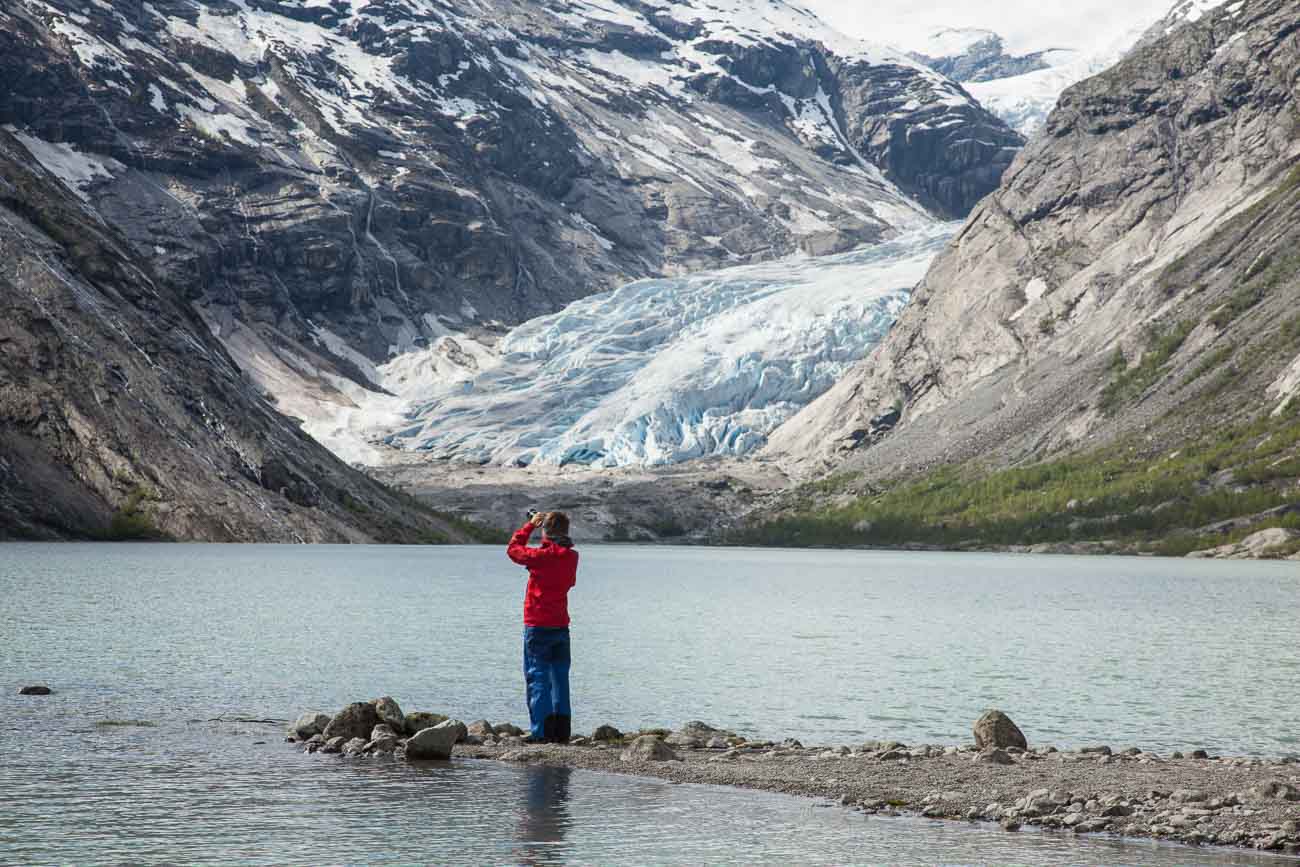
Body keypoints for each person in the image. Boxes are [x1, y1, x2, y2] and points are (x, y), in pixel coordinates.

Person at [507, 510, 578, 744]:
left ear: (545, 531)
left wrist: (529, 526)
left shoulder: (541, 556)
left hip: (537, 624)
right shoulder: (572, 557)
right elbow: (571, 581)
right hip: (560, 625)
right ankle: (561, 732)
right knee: (560, 678)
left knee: (537, 677)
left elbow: (513, 549)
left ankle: (542, 733)